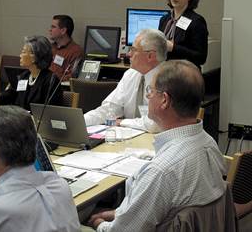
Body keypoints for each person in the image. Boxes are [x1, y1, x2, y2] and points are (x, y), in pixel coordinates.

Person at [88, 60, 226, 231]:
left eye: (150, 91)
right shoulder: (209, 144)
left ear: (164, 100)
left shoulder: (161, 171)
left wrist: (98, 224)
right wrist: (121, 213)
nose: (147, 96)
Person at [84, 29, 167, 133]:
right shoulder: (130, 74)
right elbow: (109, 109)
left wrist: (122, 122)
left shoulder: (169, 78)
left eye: (133, 50)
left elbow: (156, 124)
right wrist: (82, 121)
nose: (128, 54)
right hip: (131, 137)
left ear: (150, 56)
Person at [0, 36, 63, 111]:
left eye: (23, 52)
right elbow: (14, 101)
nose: (20, 55)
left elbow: (50, 110)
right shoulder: (23, 76)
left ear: (34, 57)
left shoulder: (51, 80)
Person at [159, 0, 208, 68]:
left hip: (186, 74)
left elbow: (201, 57)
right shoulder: (164, 19)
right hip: (164, 71)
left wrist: (173, 48)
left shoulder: (197, 21)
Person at [48, 15, 83, 81]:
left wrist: (51, 81)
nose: (50, 30)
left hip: (59, 88)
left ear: (63, 31)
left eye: (53, 27)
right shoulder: (49, 47)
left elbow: (72, 76)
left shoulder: (76, 51)